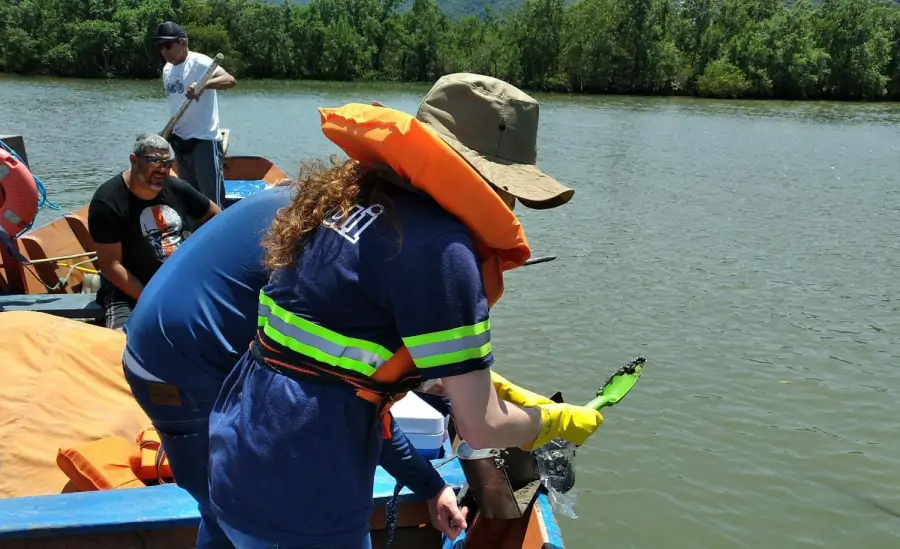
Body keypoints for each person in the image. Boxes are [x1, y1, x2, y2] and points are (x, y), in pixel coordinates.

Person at [206, 73, 606, 549]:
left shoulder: (346, 203)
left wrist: (432, 481)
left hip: (237, 458)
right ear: (488, 177)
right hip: (307, 497)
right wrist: (551, 422)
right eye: (510, 187)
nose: (511, 203)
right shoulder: (442, 248)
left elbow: (338, 374)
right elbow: (482, 425)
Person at [121, 183, 466, 549]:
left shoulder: (322, 207)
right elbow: (357, 400)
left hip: (149, 339)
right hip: (188, 366)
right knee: (245, 512)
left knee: (222, 510)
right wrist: (429, 482)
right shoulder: (357, 260)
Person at [88, 132, 220, 331]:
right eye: (154, 161)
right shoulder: (107, 201)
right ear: (134, 160)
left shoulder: (177, 188)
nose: (162, 170)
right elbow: (111, 265)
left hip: (180, 282)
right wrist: (151, 299)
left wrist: (197, 251)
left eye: (167, 163)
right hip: (129, 292)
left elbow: (215, 216)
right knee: (121, 343)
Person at [153, 21, 236, 208]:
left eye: (167, 45)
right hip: (181, 142)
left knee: (212, 201)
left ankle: (217, 234)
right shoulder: (167, 69)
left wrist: (203, 86)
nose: (164, 51)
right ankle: (193, 234)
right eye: (160, 47)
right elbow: (176, 105)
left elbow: (230, 80)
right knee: (190, 200)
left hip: (204, 141)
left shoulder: (199, 62)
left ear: (183, 42)